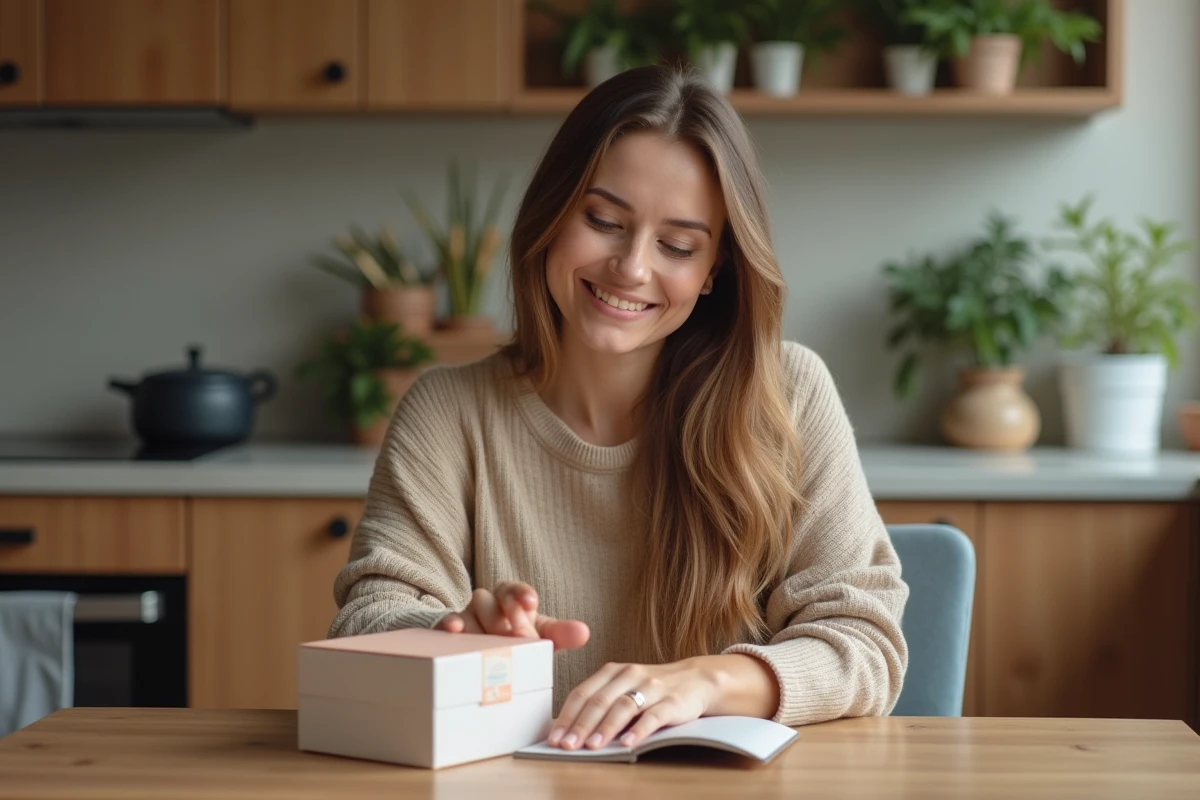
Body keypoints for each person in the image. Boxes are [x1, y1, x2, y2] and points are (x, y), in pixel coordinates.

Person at [329, 64, 908, 753]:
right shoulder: (448, 411)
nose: (631, 267)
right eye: (603, 220)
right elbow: (366, 620)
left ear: (715, 269)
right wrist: (452, 636)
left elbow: (865, 643)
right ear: (550, 214)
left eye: (677, 246)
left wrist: (706, 682)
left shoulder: (788, 393)